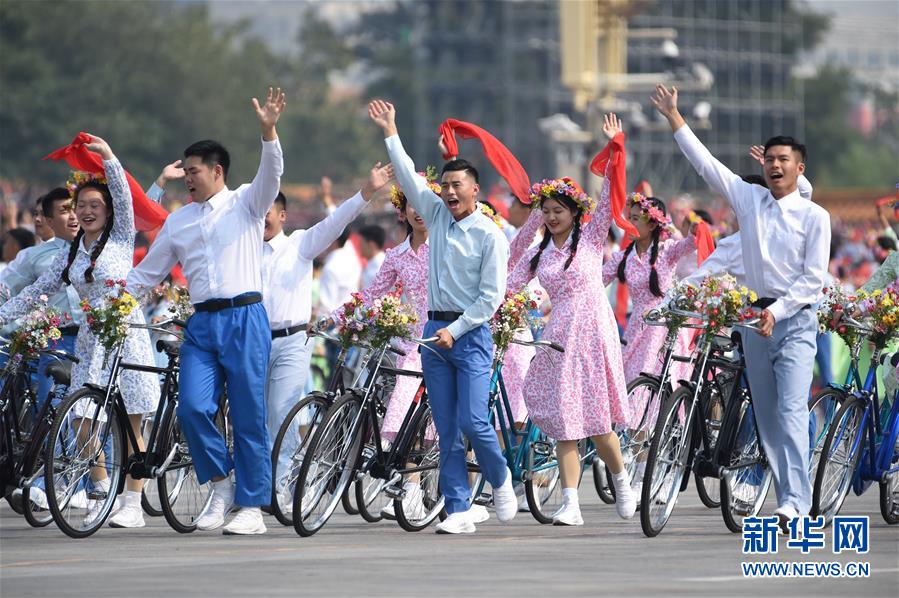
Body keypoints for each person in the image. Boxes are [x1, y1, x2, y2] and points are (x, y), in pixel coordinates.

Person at [653, 83, 831, 531]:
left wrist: (780, 311)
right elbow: (706, 165)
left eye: (782, 160)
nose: (774, 166)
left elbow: (812, 279)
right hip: (754, 321)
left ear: (798, 168)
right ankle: (786, 488)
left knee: (791, 411)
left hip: (793, 321)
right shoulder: (749, 200)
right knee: (767, 417)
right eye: (769, 159)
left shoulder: (815, 217)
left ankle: (794, 499)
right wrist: (675, 118)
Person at [127, 87, 286, 535]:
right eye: (185, 172)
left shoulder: (247, 204)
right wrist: (108, 304)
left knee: (248, 414)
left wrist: (269, 131)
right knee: (192, 409)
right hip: (202, 324)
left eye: (193, 171)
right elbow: (144, 276)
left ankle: (252, 507)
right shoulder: (179, 220)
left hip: (245, 318)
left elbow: (272, 173)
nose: (187, 178)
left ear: (217, 171)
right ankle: (220, 486)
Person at [370, 99, 517, 534]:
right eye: (445, 185)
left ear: (475, 190)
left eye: (458, 185)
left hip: (469, 334)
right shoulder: (434, 214)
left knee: (474, 420)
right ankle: (458, 509)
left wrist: (455, 331)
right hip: (433, 332)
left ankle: (500, 476)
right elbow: (411, 176)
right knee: (446, 427)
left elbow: (490, 299)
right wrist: (391, 130)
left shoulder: (490, 236)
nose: (449, 192)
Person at [0, 135, 160, 529]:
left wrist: (107, 157)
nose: (86, 212)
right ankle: (102, 490)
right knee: (81, 417)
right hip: (91, 342)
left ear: (108, 212)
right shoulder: (72, 253)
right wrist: (2, 313)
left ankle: (134, 503)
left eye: (94, 206)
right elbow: (38, 291)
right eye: (80, 206)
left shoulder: (121, 239)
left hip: (126, 335)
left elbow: (123, 196)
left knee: (131, 422)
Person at [506, 114, 637, 526]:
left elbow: (611, 190)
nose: (551, 216)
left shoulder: (594, 236)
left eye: (558, 210)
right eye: (545, 210)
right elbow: (510, 274)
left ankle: (621, 480)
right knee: (565, 423)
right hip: (559, 333)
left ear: (575, 213)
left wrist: (616, 147)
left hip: (593, 331)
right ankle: (570, 503)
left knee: (598, 424)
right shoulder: (540, 252)